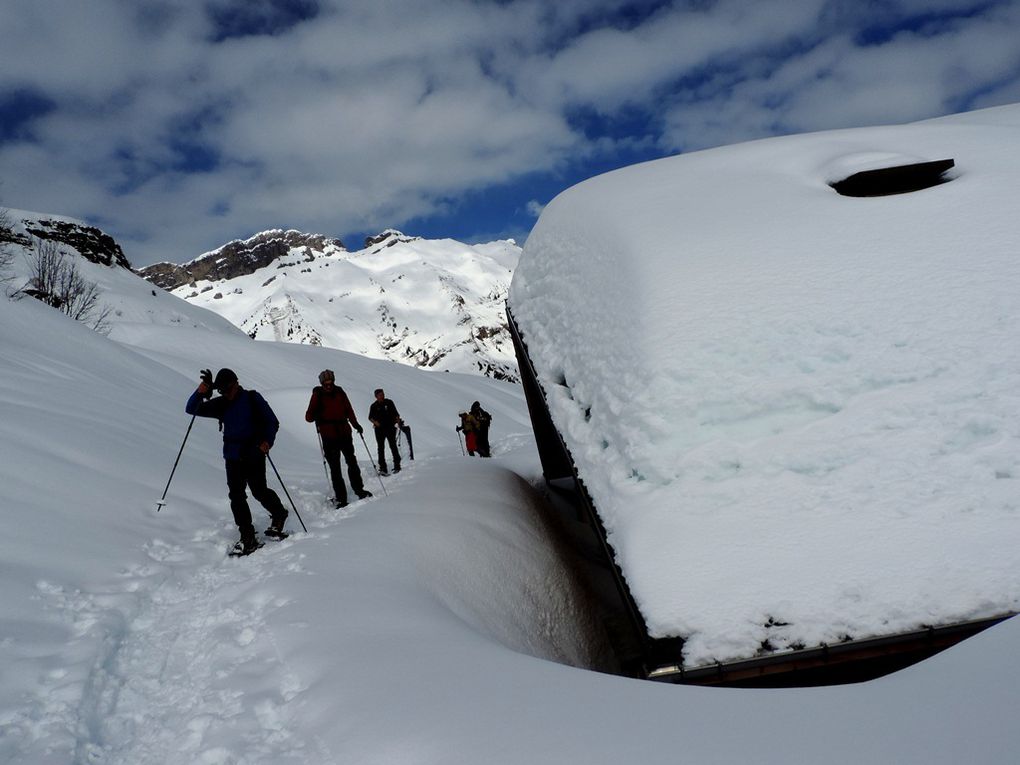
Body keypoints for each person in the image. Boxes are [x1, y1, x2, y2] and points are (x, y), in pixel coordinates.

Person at [186, 368, 288, 556]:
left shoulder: (252, 398)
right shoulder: (222, 404)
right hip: (232, 456)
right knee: (237, 496)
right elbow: (191, 408)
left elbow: (272, 422)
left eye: (228, 389)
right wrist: (202, 390)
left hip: (254, 453)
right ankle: (247, 537)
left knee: (258, 490)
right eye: (222, 390)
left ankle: (279, 513)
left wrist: (267, 441)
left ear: (236, 383)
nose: (226, 393)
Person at [305, 369, 372, 508]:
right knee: (335, 468)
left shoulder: (340, 392)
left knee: (351, 463)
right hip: (329, 436)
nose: (329, 386)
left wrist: (356, 425)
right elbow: (309, 418)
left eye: (331, 383)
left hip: (343, 433)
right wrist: (316, 407)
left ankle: (358, 490)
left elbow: (349, 410)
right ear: (322, 383)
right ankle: (342, 498)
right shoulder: (317, 395)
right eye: (326, 384)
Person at [367, 388, 402, 475]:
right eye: (380, 395)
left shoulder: (389, 402)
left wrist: (398, 423)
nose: (382, 396)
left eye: (382, 394)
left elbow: (396, 414)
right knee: (380, 448)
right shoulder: (374, 406)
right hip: (379, 429)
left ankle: (397, 466)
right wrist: (375, 423)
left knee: (393, 446)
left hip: (390, 427)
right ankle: (383, 468)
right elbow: (370, 417)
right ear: (376, 396)